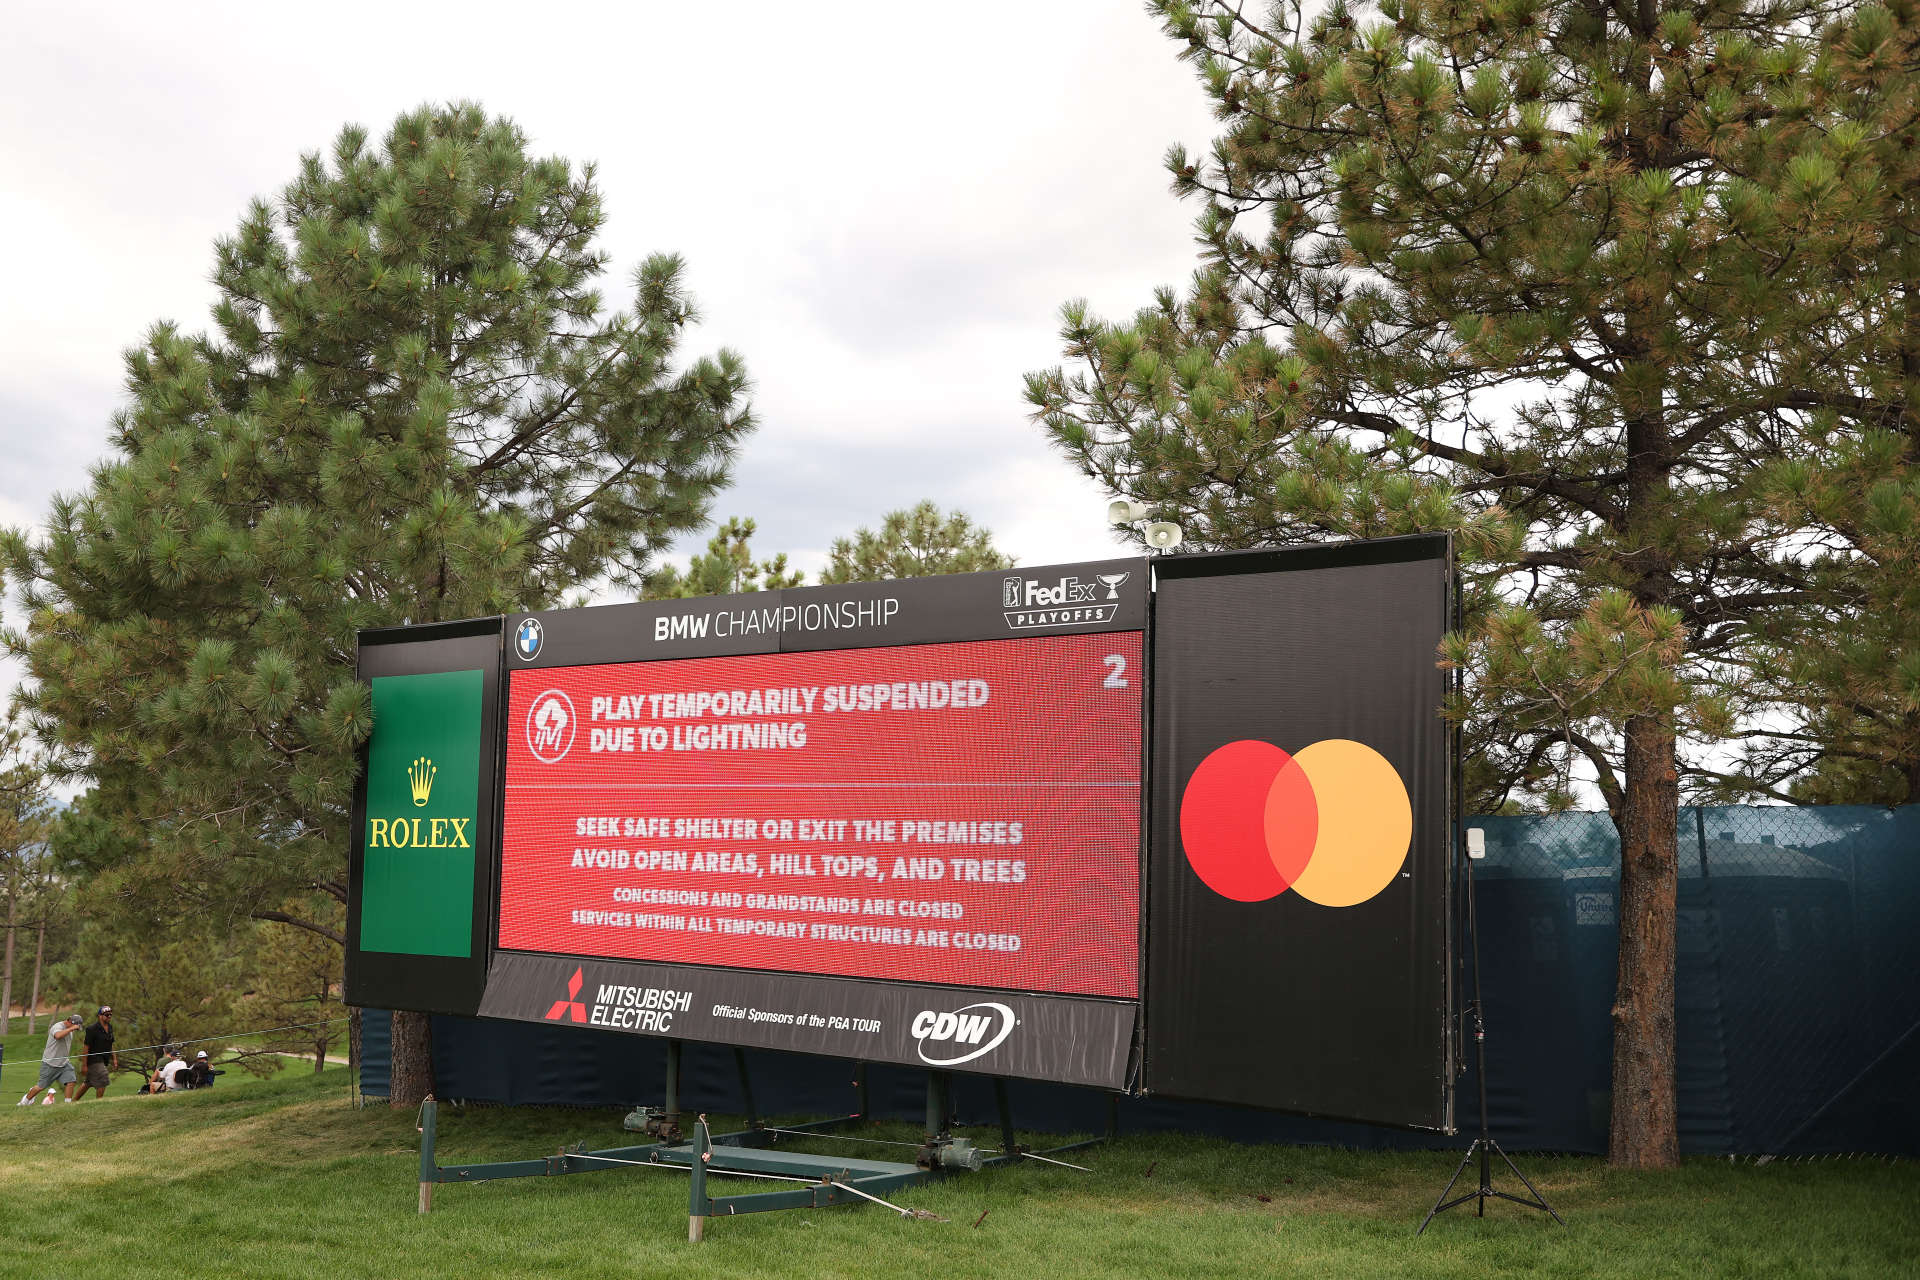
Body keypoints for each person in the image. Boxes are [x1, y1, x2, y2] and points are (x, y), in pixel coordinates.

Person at [18, 1014, 82, 1105]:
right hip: (50, 1064)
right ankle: (24, 1102)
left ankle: (68, 1104)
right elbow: (57, 1036)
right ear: (69, 1021)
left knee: (71, 1080)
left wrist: (71, 1029)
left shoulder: (70, 1029)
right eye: (75, 1027)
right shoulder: (58, 1026)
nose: (75, 1029)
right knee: (40, 1087)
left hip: (64, 1063)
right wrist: (71, 1029)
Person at [73, 1005, 117, 1101]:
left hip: (104, 1059)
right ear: (100, 1016)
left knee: (88, 1083)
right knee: (103, 1077)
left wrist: (114, 1058)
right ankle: (98, 1102)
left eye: (110, 1015)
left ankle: (73, 1101)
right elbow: (86, 1047)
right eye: (107, 1015)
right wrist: (84, 1065)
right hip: (93, 1060)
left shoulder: (110, 1027)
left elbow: (111, 1044)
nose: (109, 1017)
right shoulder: (92, 1029)